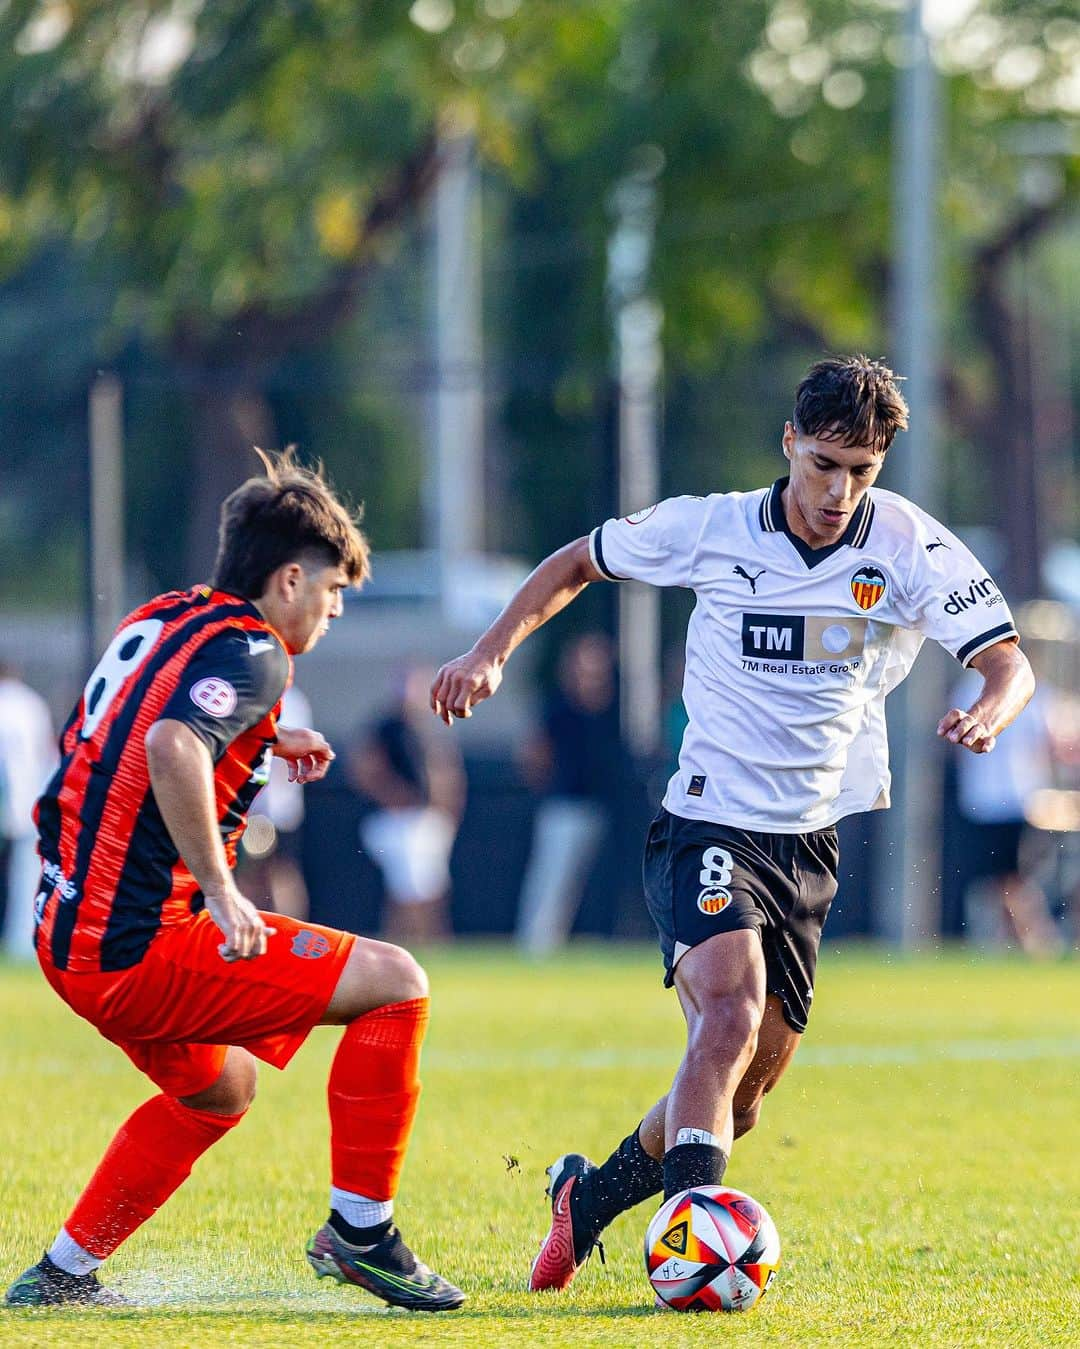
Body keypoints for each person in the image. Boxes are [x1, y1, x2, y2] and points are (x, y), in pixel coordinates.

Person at [430, 355, 1035, 1293]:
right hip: (708, 819)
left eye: (861, 471)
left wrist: (990, 708)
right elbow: (578, 562)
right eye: (825, 463)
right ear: (790, 442)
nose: (839, 491)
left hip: (809, 838)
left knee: (742, 1095)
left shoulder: (910, 546)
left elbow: (1007, 661)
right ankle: (687, 1250)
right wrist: (488, 651)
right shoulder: (710, 527)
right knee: (729, 1013)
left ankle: (584, 1201)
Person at [5, 450, 463, 1311]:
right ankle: (361, 1231)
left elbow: (121, 725)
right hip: (140, 943)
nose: (331, 611)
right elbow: (170, 744)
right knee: (398, 984)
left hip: (65, 933)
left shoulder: (168, 615)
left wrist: (258, 739)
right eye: (331, 591)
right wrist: (222, 888)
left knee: (221, 1086)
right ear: (289, 578)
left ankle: (62, 1272)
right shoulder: (257, 653)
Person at [515, 632, 623, 956]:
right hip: (564, 804)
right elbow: (534, 755)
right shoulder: (557, 707)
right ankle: (537, 946)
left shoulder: (617, 708)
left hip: (606, 806)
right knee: (552, 878)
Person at [349, 666, 465, 945]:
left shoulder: (427, 727)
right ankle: (404, 946)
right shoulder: (384, 728)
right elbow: (363, 769)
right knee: (408, 892)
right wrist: (394, 797)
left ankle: (427, 945)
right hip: (398, 820)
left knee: (429, 891)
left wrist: (446, 811)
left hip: (427, 819)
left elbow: (447, 774)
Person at [953, 675, 1062, 956]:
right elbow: (1050, 746)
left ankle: (1038, 942)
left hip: (1005, 800)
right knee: (1000, 879)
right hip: (1001, 799)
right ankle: (1015, 942)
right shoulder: (1031, 692)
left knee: (1011, 879)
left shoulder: (969, 691)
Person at [0, 661, 58, 959]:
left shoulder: (10, 703)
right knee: (26, 877)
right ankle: (21, 940)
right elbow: (47, 752)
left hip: (13, 800)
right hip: (32, 799)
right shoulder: (30, 702)